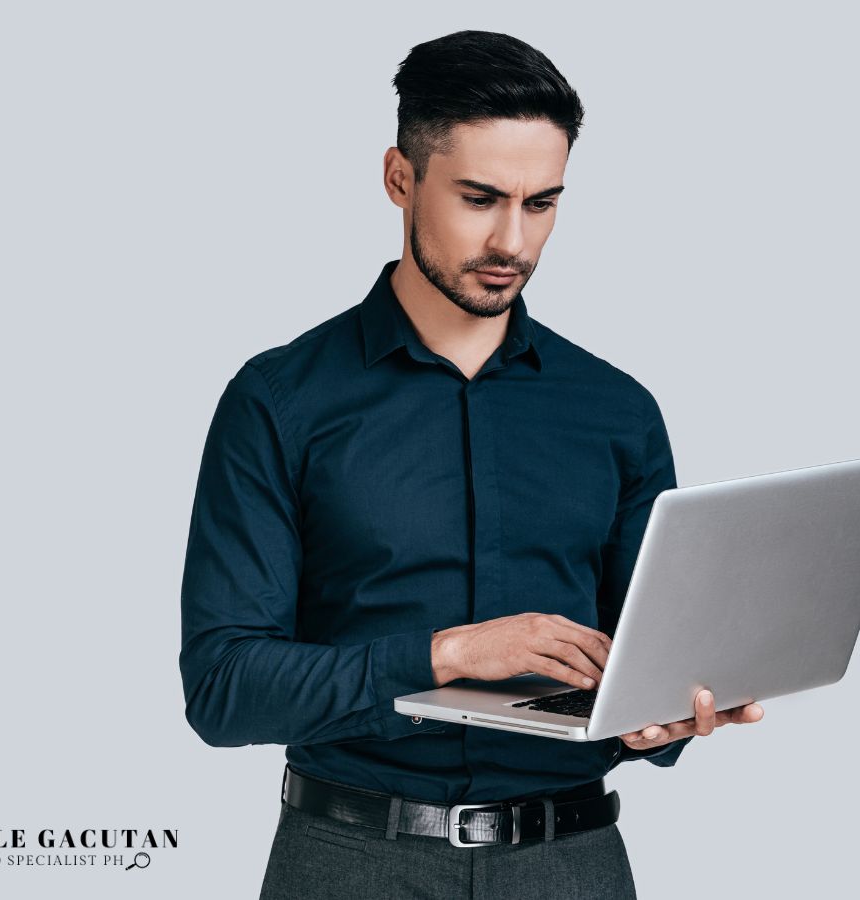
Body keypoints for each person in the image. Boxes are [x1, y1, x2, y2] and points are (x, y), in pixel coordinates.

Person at [179, 29, 764, 899]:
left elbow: (645, 660)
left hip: (572, 863)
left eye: (542, 204)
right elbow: (225, 689)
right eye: (481, 198)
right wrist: (449, 653)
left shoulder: (617, 411)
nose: (512, 241)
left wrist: (667, 717)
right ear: (399, 179)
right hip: (347, 864)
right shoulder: (277, 402)